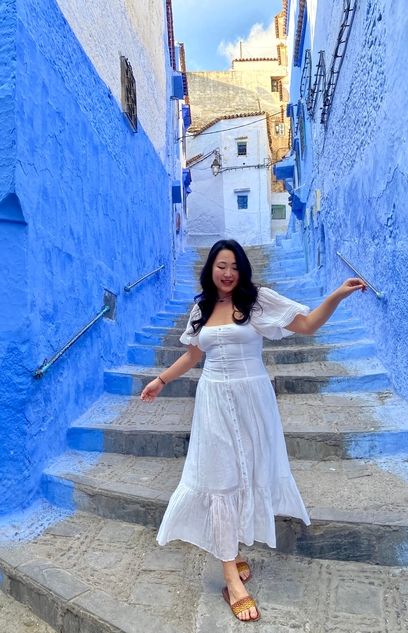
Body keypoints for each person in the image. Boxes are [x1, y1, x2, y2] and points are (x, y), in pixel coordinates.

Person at [141, 239, 366, 623]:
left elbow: (308, 325)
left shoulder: (258, 301)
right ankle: (231, 574)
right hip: (213, 402)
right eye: (221, 266)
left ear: (242, 271)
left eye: (234, 267)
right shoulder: (203, 308)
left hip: (253, 401)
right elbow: (194, 354)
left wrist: (337, 296)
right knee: (219, 479)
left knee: (248, 475)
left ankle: (232, 550)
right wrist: (160, 380)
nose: (227, 273)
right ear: (210, 269)